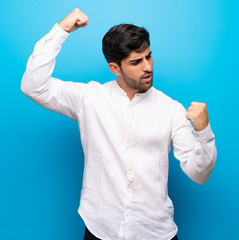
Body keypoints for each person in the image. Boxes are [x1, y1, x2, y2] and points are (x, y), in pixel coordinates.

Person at [21, 8, 217, 240]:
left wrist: (203, 132)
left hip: (155, 233)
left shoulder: (171, 109)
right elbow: (33, 86)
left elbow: (199, 174)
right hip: (100, 229)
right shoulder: (89, 98)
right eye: (136, 62)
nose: (148, 67)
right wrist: (61, 30)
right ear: (115, 68)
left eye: (149, 56)